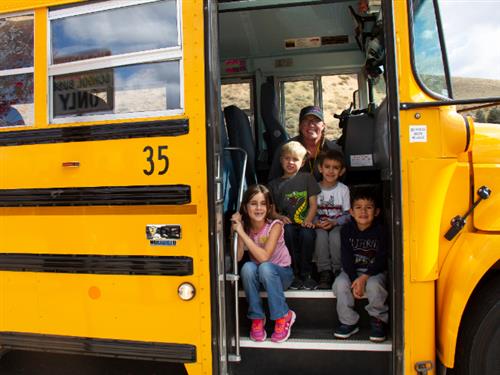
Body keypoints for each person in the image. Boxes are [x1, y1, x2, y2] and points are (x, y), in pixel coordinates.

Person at [232, 184, 296, 343]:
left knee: (265, 266)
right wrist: (238, 232)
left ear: (269, 208)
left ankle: (283, 316)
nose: (258, 208)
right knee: (247, 267)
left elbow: (264, 257)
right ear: (245, 208)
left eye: (263, 204)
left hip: (282, 275)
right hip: (262, 277)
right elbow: (239, 257)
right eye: (253, 204)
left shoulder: (275, 226)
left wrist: (241, 233)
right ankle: (257, 318)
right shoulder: (245, 228)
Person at [332, 187, 388, 342]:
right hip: (352, 269)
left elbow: (382, 258)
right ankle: (348, 321)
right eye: (358, 207)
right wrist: (352, 278)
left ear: (376, 212)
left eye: (368, 208)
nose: (363, 212)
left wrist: (364, 278)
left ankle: (378, 320)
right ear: (350, 212)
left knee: (374, 286)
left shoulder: (381, 231)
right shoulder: (346, 230)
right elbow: (346, 257)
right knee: (340, 284)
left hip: (374, 271)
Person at [268, 141, 320, 290]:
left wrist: (308, 220)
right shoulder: (274, 184)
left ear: (303, 162)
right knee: (288, 233)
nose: (290, 162)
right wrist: (278, 217)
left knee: (307, 235)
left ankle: (307, 274)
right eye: (287, 158)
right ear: (281, 160)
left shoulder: (307, 179)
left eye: (295, 159)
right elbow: (271, 210)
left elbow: (313, 204)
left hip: (305, 222)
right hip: (287, 224)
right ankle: (294, 274)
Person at [268, 105, 342, 181]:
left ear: (323, 126)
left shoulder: (334, 150)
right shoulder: (284, 148)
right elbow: (273, 180)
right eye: (306, 120)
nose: (311, 124)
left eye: (316, 120)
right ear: (300, 125)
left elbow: (342, 180)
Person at [314, 149, 351, 289]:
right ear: (320, 168)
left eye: (335, 168)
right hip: (320, 225)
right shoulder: (314, 189)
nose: (331, 171)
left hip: (338, 224)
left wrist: (335, 222)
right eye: (327, 167)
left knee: (336, 235)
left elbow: (348, 215)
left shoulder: (343, 190)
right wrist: (317, 222)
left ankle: (338, 270)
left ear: (341, 171)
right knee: (320, 235)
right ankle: (324, 271)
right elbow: (310, 212)